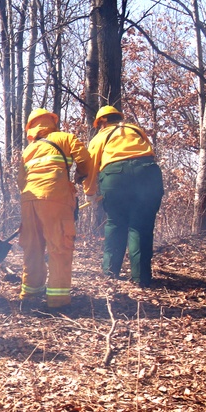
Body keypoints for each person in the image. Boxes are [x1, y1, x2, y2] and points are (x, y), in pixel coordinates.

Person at [18, 108, 92, 308]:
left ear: (31, 127)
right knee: (59, 246)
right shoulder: (65, 138)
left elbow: (20, 180)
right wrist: (80, 176)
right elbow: (85, 159)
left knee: (32, 246)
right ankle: (58, 300)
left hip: (29, 200)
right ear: (51, 121)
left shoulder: (28, 150)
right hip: (55, 197)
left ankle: (30, 294)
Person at [88, 105, 164, 287]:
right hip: (148, 173)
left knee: (115, 222)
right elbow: (148, 152)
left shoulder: (101, 136)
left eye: (99, 124)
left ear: (103, 121)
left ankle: (110, 272)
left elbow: (90, 167)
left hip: (115, 177)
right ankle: (141, 279)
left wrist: (90, 192)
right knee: (141, 226)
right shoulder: (135, 130)